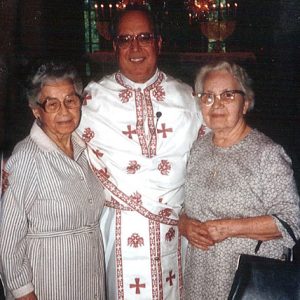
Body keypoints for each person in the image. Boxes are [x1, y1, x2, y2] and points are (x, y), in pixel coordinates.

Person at [77, 4, 204, 300]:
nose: (135, 47)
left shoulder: (187, 99)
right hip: (115, 229)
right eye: (125, 39)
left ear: (158, 43)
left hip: (175, 231)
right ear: (114, 46)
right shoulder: (90, 101)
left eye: (144, 37)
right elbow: (52, 146)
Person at [179, 60, 300, 299]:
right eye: (208, 97)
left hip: (246, 283)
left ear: (245, 103)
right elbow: (188, 205)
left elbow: (291, 222)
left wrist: (228, 228)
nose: (217, 105)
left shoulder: (267, 154)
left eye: (228, 95)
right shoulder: (199, 149)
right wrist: (184, 224)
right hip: (199, 279)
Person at [0, 62, 106, 300]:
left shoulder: (86, 149)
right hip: (48, 283)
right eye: (52, 104)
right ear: (36, 110)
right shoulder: (27, 157)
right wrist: (22, 292)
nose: (64, 111)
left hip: (89, 281)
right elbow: (7, 239)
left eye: (70, 100)